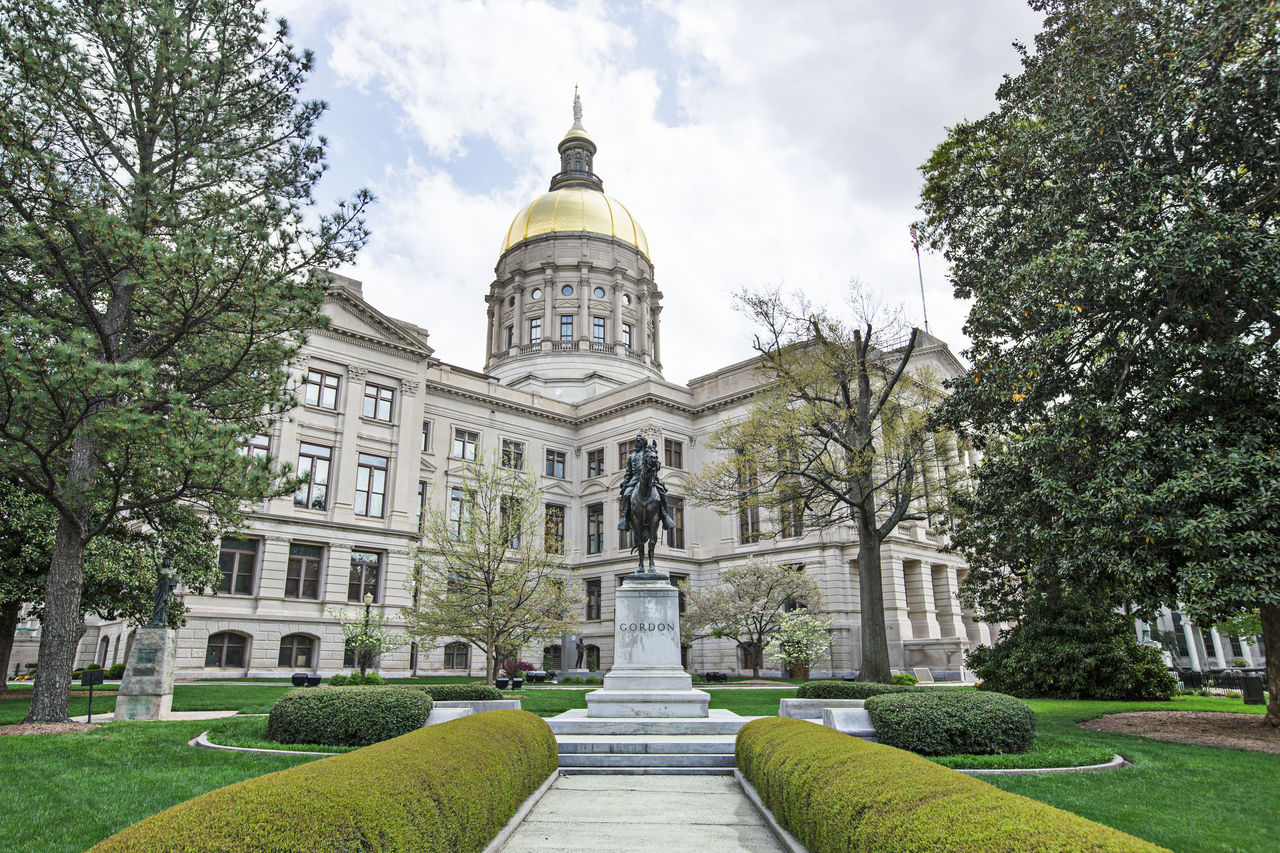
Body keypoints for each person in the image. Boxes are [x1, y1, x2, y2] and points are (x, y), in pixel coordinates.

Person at [617, 433, 674, 532]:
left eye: (639, 441)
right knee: (626, 494)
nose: (637, 443)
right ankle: (625, 517)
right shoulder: (631, 456)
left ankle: (665, 515)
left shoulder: (649, 453)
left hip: (650, 479)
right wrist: (625, 482)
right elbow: (628, 472)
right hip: (635, 480)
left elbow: (656, 466)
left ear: (644, 443)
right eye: (636, 441)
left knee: (662, 494)